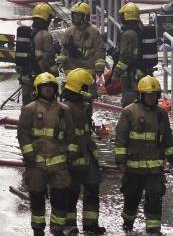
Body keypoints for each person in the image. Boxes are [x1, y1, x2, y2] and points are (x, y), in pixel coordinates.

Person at [114, 75, 173, 234]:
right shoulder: (129, 112)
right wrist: (121, 161)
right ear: (141, 95)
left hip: (155, 169)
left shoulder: (161, 114)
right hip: (133, 168)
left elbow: (167, 139)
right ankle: (128, 223)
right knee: (131, 197)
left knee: (155, 197)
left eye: (154, 95)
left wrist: (172, 161)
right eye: (148, 95)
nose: (151, 98)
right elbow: (121, 138)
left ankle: (153, 228)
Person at [18, 72, 74, 236]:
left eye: (51, 87)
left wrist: (71, 155)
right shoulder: (30, 109)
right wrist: (29, 155)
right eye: (45, 87)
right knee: (36, 198)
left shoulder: (64, 110)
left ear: (56, 89)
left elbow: (71, 135)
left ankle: (57, 229)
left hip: (59, 165)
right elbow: (23, 134)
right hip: (36, 164)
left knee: (60, 199)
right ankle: (38, 229)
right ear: (38, 89)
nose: (48, 90)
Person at [61, 68, 106, 235]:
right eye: (87, 87)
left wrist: (96, 130)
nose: (89, 90)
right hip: (72, 157)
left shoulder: (84, 106)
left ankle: (91, 224)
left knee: (93, 187)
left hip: (87, 153)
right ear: (79, 88)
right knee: (71, 192)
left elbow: (84, 129)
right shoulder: (65, 108)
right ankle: (69, 225)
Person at [109, 2, 147, 106]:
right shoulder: (139, 29)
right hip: (140, 70)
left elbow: (125, 58)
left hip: (130, 73)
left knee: (129, 101)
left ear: (125, 17)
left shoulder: (128, 34)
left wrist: (115, 74)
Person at [20, 3, 58, 104]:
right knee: (45, 106)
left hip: (26, 76)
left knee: (27, 106)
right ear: (47, 19)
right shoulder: (45, 35)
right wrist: (55, 73)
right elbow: (49, 59)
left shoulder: (26, 33)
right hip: (41, 78)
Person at [59, 2, 107, 77]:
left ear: (85, 16)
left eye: (79, 14)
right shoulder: (69, 31)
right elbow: (64, 50)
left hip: (88, 72)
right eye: (74, 14)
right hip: (71, 71)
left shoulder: (93, 32)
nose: (76, 16)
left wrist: (99, 68)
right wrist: (60, 61)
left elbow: (100, 51)